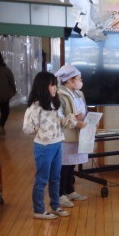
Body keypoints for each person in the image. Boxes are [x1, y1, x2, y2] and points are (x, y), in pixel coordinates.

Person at [23, 71, 84, 220]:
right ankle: (39, 210)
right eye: (52, 85)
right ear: (43, 86)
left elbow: (63, 122)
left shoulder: (54, 104)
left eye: (55, 85)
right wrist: (41, 130)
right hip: (44, 147)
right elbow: (27, 129)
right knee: (42, 179)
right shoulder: (35, 106)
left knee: (55, 177)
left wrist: (74, 119)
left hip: (57, 144)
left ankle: (55, 206)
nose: (55, 87)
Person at [55, 64, 89, 208]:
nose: (81, 82)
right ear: (70, 80)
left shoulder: (78, 94)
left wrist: (88, 120)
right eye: (79, 79)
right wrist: (76, 121)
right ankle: (60, 194)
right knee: (63, 165)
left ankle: (70, 190)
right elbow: (59, 117)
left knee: (71, 164)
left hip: (78, 133)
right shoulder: (59, 95)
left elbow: (83, 111)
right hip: (66, 136)